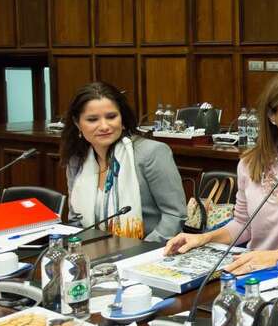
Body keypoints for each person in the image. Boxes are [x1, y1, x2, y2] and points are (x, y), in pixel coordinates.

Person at [165, 69, 278, 275]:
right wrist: (203, 238)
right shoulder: (249, 161)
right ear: (272, 115)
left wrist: (276, 256)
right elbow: (243, 225)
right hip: (253, 266)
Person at [61, 82, 186, 242]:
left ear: (122, 118)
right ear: (78, 123)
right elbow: (76, 221)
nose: (104, 126)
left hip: (148, 253)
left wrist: (140, 251)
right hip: (94, 252)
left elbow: (175, 215)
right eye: (93, 119)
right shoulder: (77, 160)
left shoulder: (151, 153)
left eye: (111, 117)